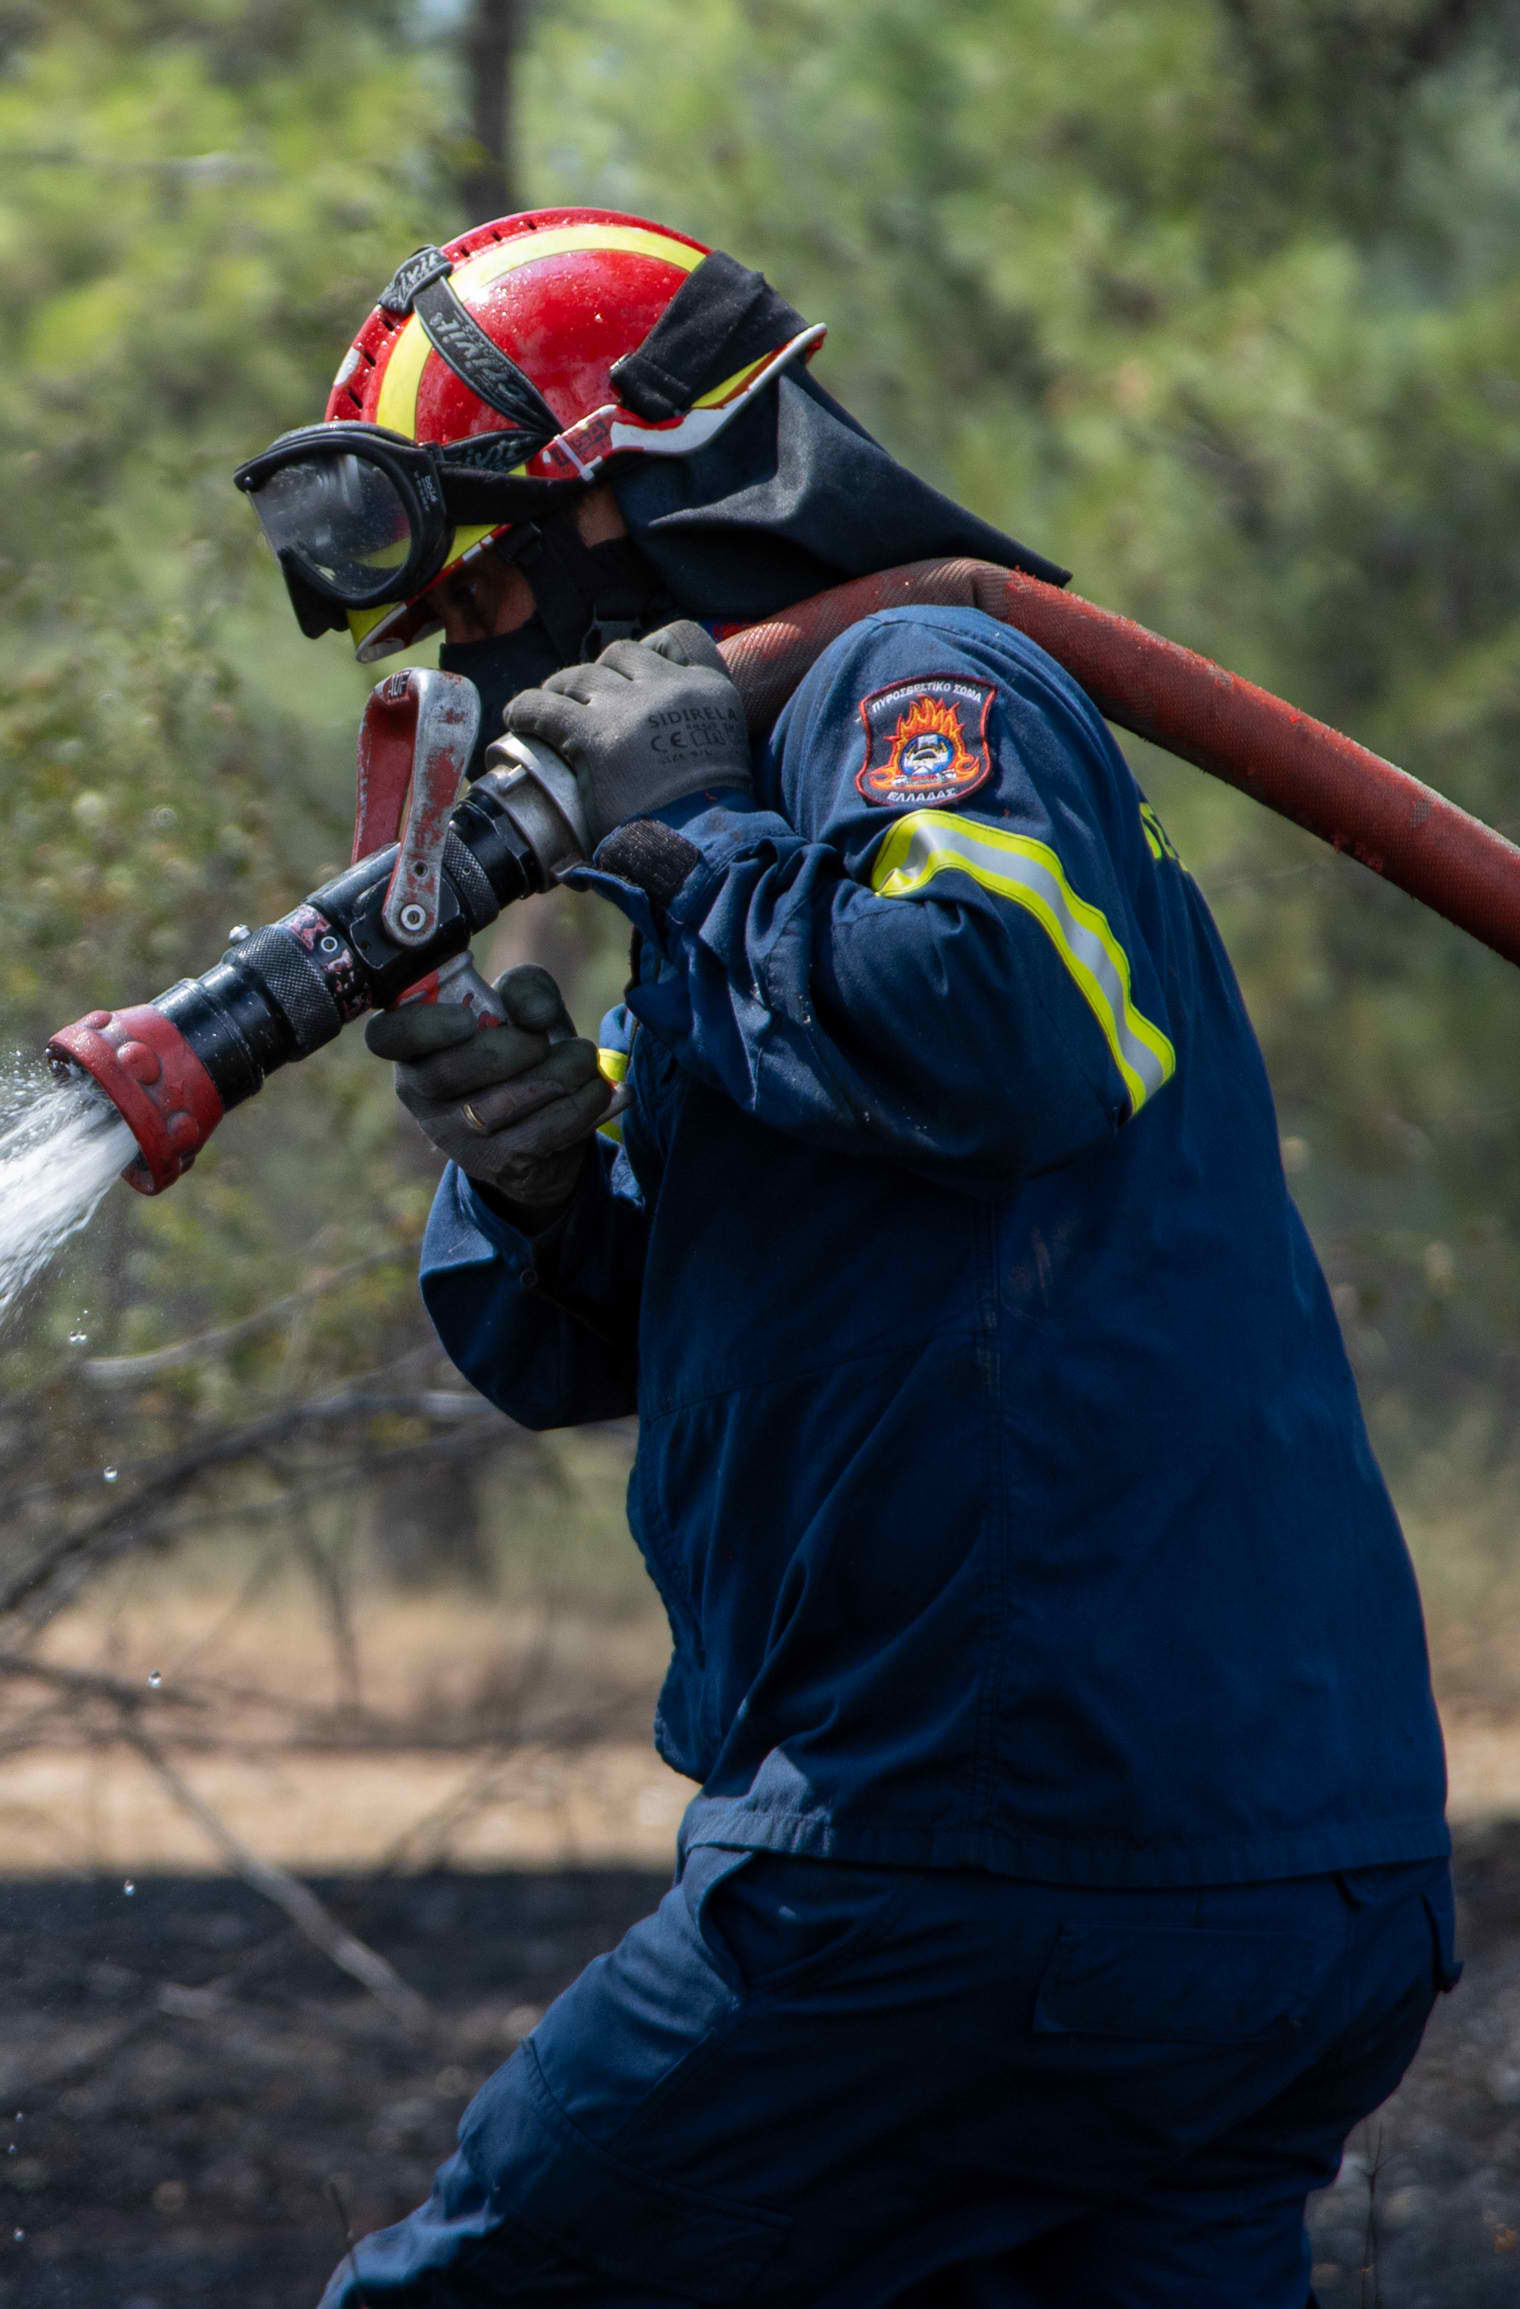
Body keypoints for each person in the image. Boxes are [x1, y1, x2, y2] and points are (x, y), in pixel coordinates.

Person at [233, 210, 1456, 2307]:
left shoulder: (921, 683)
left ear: (647, 496)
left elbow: (1006, 1029)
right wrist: (543, 1187)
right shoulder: (763, 822)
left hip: (979, 1854)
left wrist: (690, 837)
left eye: (496, 573)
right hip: (1244, 1876)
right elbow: (640, 1315)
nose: (486, 649)